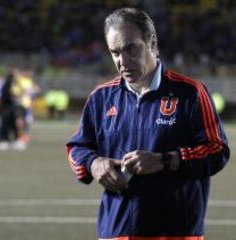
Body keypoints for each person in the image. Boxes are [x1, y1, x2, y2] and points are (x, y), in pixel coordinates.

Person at [66, 8, 229, 240]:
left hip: (175, 232)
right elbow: (77, 148)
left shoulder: (190, 93)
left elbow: (217, 151)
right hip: (116, 231)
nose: (122, 61)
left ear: (152, 44)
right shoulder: (100, 98)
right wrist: (93, 163)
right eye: (115, 53)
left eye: (131, 49)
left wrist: (166, 160)